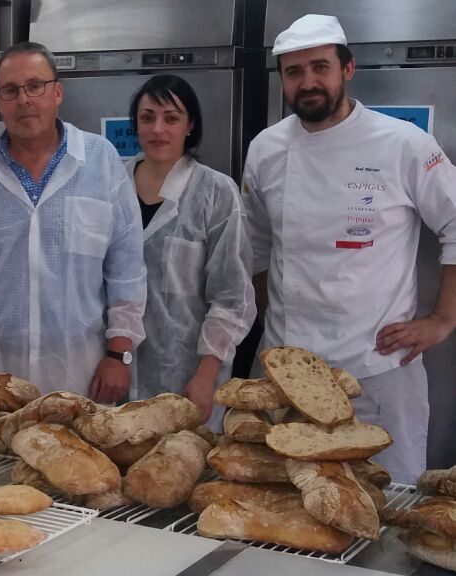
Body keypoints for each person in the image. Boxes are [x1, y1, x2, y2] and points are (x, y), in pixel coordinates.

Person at [242, 14, 456, 484]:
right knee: (295, 507)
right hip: (288, 372)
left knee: (389, 511)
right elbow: (256, 242)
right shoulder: (265, 149)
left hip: (376, 369)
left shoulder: (402, 144)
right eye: (294, 72)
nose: (308, 82)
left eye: (320, 67)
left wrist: (442, 319)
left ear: (348, 69)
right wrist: (274, 316)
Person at [0, 42, 147, 403]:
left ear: (57, 92)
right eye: (11, 90)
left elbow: (126, 267)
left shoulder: (99, 161)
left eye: (35, 86)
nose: (24, 99)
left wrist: (119, 353)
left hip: (81, 374)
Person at [127, 74, 256, 428]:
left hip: (186, 376)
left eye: (171, 118)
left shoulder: (215, 193)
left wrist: (206, 374)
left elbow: (232, 297)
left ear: (190, 125)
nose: (158, 129)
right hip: (113, 377)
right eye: (147, 117)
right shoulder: (111, 184)